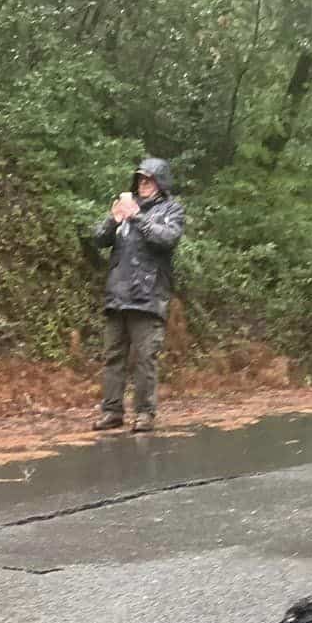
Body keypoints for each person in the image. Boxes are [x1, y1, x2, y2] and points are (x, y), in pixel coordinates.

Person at [90, 157, 186, 434]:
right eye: (140, 179)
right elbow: (98, 239)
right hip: (117, 295)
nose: (143, 184)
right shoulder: (126, 206)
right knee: (113, 357)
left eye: (149, 179)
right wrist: (114, 219)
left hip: (148, 296)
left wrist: (138, 217)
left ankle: (144, 413)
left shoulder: (172, 209)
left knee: (145, 359)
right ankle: (112, 412)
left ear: (160, 182)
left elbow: (167, 239)